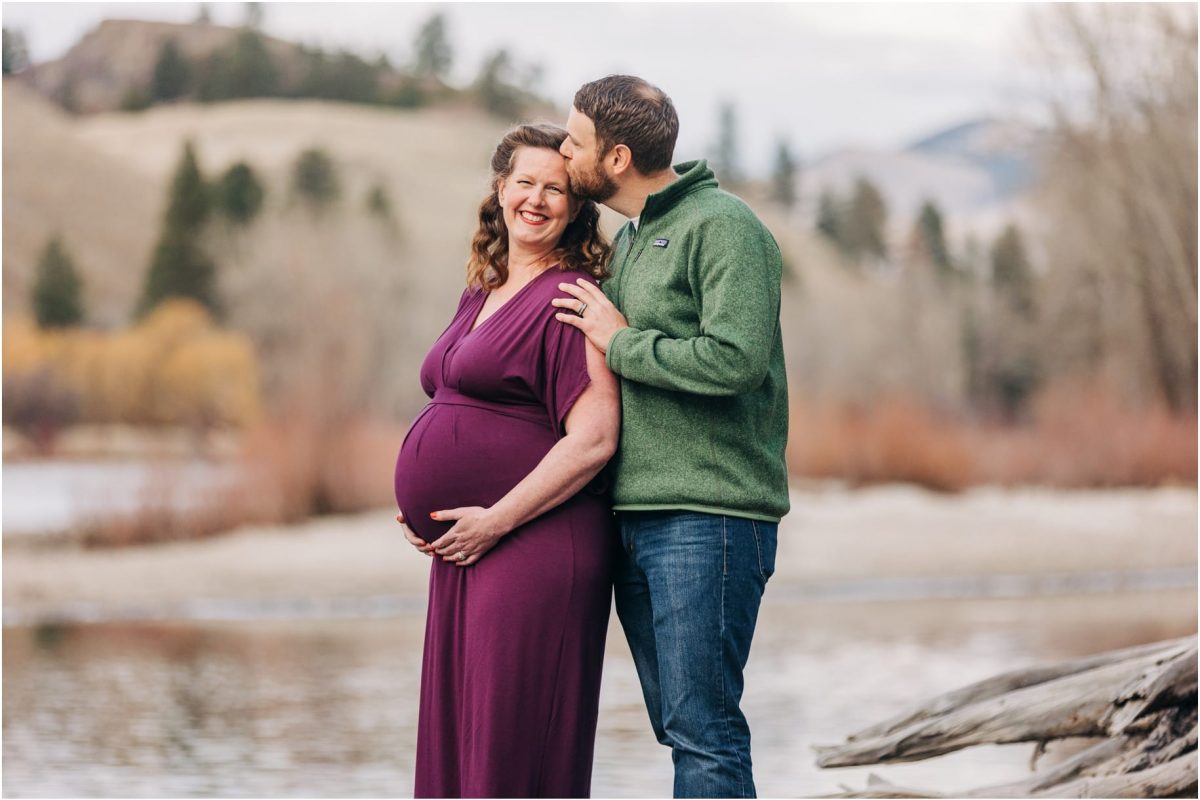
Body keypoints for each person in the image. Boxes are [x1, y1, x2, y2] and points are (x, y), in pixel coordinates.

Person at [551, 75, 789, 798]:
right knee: (679, 725)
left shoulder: (725, 227)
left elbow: (737, 359)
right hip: (634, 517)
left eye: (574, 140)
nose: (564, 153)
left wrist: (622, 344)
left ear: (616, 158)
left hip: (710, 515)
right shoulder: (627, 240)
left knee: (704, 730)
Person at [392, 123, 619, 798]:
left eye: (557, 189)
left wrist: (495, 519)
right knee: (463, 737)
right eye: (525, 182)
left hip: (534, 544)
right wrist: (424, 509)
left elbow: (595, 438)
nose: (538, 200)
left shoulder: (570, 297)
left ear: (577, 209)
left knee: (511, 744)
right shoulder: (482, 289)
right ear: (499, 190)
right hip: (470, 548)